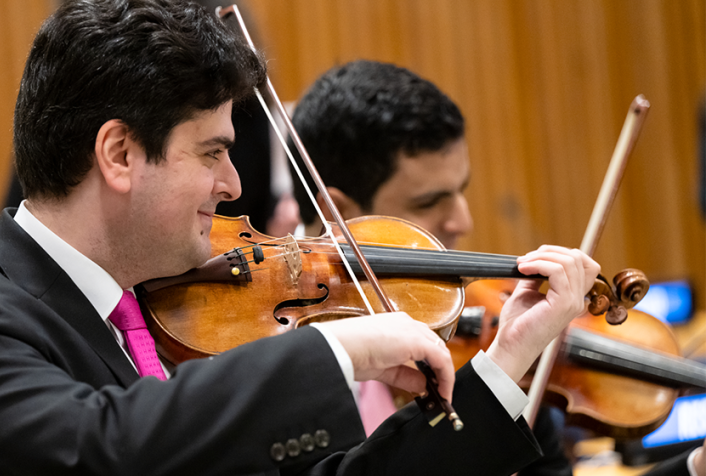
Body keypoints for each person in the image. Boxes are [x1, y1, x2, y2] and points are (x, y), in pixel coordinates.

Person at [0, 2, 600, 475]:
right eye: (211, 152)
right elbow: (105, 449)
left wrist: (506, 363)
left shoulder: (154, 324)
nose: (234, 186)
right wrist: (339, 349)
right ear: (120, 155)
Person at [290, 59, 705, 476]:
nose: (462, 222)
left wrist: (695, 467)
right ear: (338, 213)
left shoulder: (486, 336)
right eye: (429, 203)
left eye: (461, 191)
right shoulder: (278, 373)